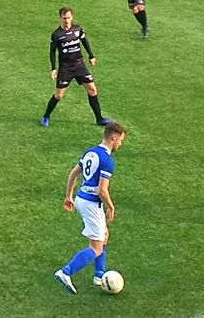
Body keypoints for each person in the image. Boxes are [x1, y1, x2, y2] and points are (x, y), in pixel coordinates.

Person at [53, 122, 127, 294]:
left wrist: (68, 196)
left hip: (81, 198)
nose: (120, 144)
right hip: (92, 204)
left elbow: (73, 173)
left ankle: (99, 276)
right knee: (96, 247)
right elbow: (102, 190)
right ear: (113, 137)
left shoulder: (91, 152)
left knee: (104, 235)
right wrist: (111, 206)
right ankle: (65, 272)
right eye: (120, 140)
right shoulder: (107, 160)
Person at [41, 6, 112, 127]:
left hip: (79, 66)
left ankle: (99, 119)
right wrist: (53, 68)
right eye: (64, 18)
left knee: (92, 90)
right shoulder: (56, 35)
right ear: (60, 18)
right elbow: (52, 52)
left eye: (68, 18)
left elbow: (85, 42)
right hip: (66, 68)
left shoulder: (77, 29)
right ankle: (46, 116)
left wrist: (91, 56)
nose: (67, 20)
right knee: (58, 95)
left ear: (72, 17)